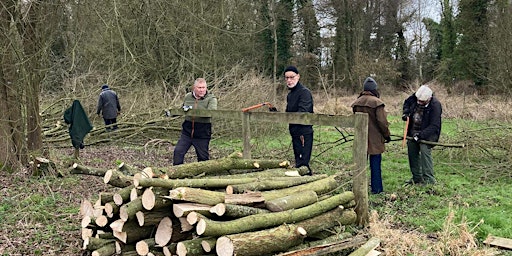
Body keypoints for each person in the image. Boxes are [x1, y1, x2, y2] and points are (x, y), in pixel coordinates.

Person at [351, 77, 391, 194]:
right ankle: (377, 189)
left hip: (360, 138)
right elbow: (382, 122)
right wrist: (387, 135)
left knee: (360, 165)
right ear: (374, 89)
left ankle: (359, 188)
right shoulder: (377, 103)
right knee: (375, 165)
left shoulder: (356, 103)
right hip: (375, 140)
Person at [402, 85, 442, 185]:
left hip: (428, 135)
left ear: (429, 98)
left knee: (424, 151)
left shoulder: (436, 106)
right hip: (412, 132)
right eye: (418, 100)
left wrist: (420, 135)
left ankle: (429, 180)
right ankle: (416, 178)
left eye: (422, 102)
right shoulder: (415, 97)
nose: (419, 103)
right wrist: (406, 113)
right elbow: (406, 103)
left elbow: (434, 125)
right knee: (412, 150)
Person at [173, 78, 218, 165]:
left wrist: (193, 111)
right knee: (178, 152)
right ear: (194, 88)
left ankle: (204, 176)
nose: (202, 90)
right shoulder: (188, 96)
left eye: (203, 88)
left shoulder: (211, 99)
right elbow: (181, 109)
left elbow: (211, 112)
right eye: (199, 88)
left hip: (202, 133)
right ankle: (176, 174)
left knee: (203, 158)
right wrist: (176, 112)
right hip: (187, 132)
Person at [284, 66, 314, 174]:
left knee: (303, 163)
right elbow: (288, 113)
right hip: (294, 132)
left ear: (298, 77)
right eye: (286, 78)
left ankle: (308, 185)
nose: (289, 80)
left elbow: (303, 113)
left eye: (291, 77)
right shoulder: (290, 94)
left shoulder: (304, 93)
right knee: (298, 161)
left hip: (304, 132)